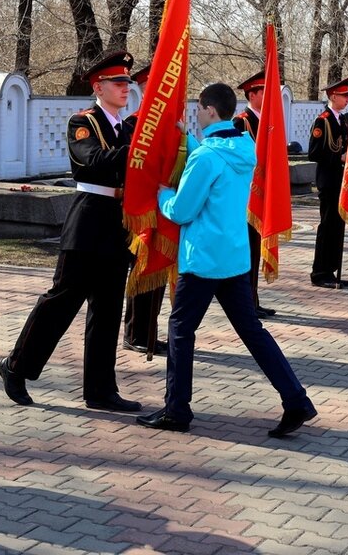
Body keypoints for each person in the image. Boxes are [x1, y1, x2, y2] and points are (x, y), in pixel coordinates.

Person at [136, 83, 317, 437]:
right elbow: (213, 157)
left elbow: (183, 210)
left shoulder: (206, 157)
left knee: (180, 331)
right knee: (252, 331)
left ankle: (177, 410)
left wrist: (163, 195)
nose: (197, 115)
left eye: (199, 109)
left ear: (211, 111)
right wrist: (189, 140)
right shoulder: (243, 146)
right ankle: (296, 398)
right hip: (234, 257)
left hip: (202, 259)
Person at [0, 51, 142, 413]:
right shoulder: (83, 121)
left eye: (127, 82)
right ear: (99, 86)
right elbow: (90, 162)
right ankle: (16, 366)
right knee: (61, 302)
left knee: (108, 311)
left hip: (117, 225)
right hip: (87, 222)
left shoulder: (127, 128)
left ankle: (100, 389)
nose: (125, 88)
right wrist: (138, 149)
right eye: (118, 82)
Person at [121, 64, 166, 355]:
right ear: (142, 87)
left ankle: (150, 331)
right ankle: (135, 332)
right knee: (140, 268)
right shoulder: (131, 125)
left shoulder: (172, 123)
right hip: (139, 209)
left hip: (164, 207)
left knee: (158, 269)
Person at [232, 70, 276, 318]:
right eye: (264, 92)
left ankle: (253, 299)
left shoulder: (268, 121)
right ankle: (247, 301)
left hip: (264, 193)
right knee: (248, 247)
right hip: (248, 194)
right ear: (253, 94)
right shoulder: (242, 122)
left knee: (257, 245)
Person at [307, 77, 348, 288]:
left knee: (337, 226)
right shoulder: (322, 120)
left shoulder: (341, 120)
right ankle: (320, 271)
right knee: (327, 226)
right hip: (328, 181)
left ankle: (332, 269)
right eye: (344, 95)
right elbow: (314, 153)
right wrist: (339, 158)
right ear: (333, 96)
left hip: (340, 180)